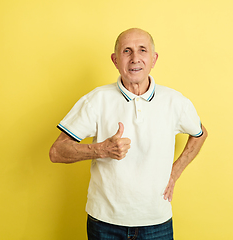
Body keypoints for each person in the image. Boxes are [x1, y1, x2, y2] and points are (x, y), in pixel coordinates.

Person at [49, 28, 207, 240]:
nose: (135, 58)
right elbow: (57, 152)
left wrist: (174, 172)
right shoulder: (96, 100)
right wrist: (100, 149)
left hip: (156, 221)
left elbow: (200, 133)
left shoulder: (175, 101)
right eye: (127, 51)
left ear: (154, 59)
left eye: (142, 50)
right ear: (115, 60)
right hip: (104, 222)